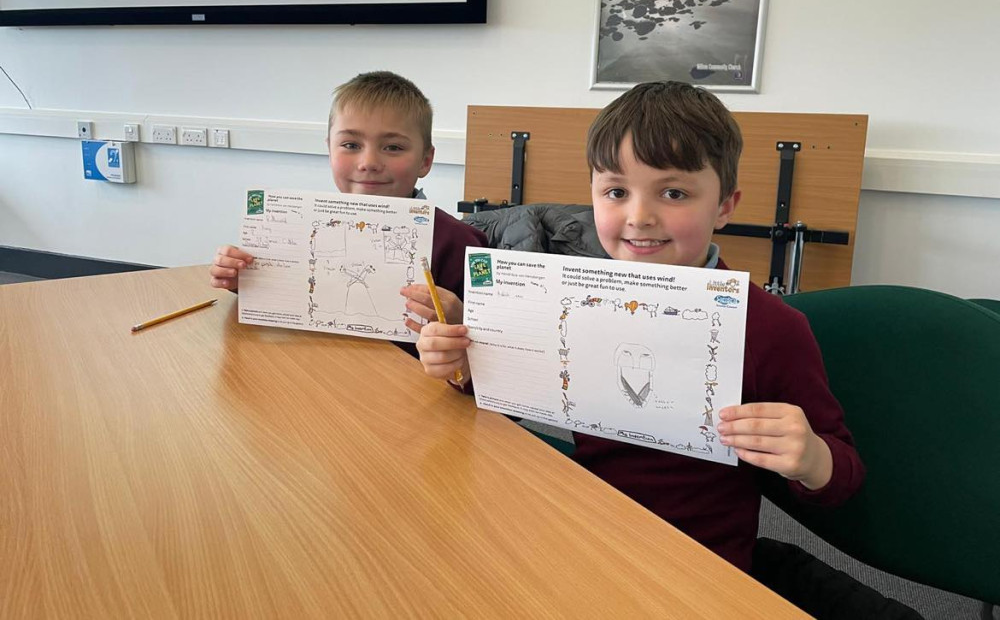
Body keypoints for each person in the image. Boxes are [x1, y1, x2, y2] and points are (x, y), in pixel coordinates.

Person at [414, 81, 865, 573]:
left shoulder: (772, 327)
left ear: (724, 206)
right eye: (616, 192)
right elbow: (516, 397)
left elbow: (843, 477)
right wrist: (465, 364)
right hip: (582, 532)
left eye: (673, 193)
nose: (640, 216)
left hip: (697, 565)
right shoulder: (572, 298)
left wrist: (812, 458)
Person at [209, 70, 486, 342]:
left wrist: (462, 319)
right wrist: (246, 281)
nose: (369, 163)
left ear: (425, 161)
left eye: (393, 147)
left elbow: (489, 348)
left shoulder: (461, 243)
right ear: (329, 150)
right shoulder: (300, 228)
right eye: (351, 145)